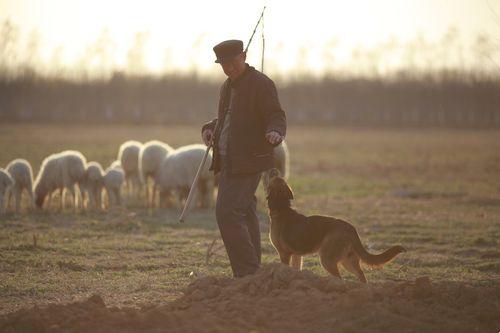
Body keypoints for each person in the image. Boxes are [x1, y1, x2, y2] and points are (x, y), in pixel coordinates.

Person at [201, 39, 287, 277]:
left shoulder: (261, 84)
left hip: (249, 159)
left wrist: (276, 131)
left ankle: (247, 273)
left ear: (244, 56)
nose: (229, 68)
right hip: (228, 159)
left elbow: (276, 114)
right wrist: (210, 128)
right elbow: (229, 120)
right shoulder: (227, 87)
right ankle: (253, 272)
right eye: (224, 64)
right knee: (245, 212)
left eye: (233, 62)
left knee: (227, 212)